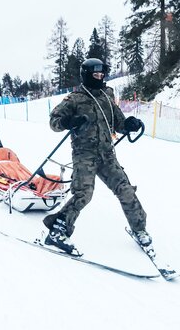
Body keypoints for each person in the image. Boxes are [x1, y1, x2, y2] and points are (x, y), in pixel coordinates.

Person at [42, 58, 150, 256]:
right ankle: (57, 230)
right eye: (96, 74)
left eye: (102, 74)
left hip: (107, 154)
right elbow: (54, 121)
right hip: (85, 154)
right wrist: (69, 121)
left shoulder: (106, 96)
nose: (100, 77)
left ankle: (139, 228)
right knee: (84, 193)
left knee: (125, 189)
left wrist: (128, 125)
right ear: (86, 75)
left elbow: (118, 121)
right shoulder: (75, 99)